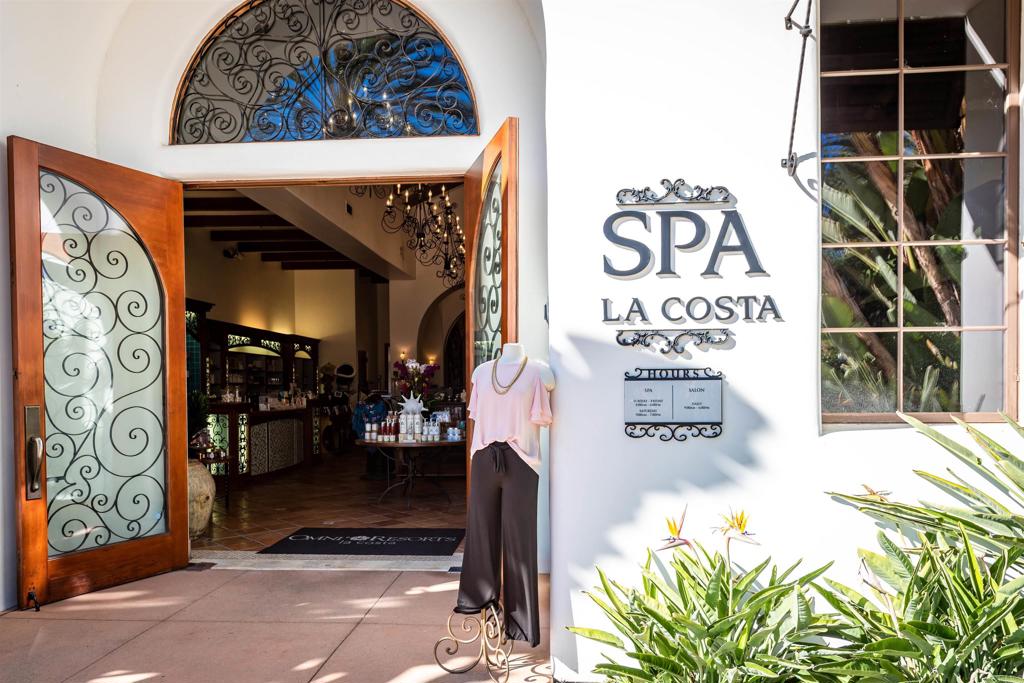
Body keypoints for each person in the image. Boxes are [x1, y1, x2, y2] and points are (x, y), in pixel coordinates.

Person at [352, 392, 389, 480]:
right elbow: (383, 417)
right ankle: (381, 470)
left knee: (372, 448)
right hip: (377, 431)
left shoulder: (362, 406)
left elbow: (357, 420)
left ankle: (371, 470)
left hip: (366, 431)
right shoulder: (381, 405)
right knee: (380, 447)